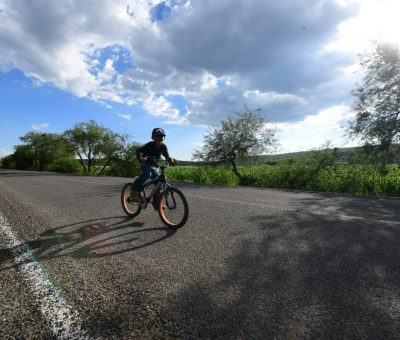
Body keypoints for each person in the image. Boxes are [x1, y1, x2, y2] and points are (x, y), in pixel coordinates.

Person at [131, 128, 176, 207]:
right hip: (145, 164)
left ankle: (156, 202)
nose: (160, 137)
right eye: (157, 136)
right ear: (153, 137)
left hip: (154, 166)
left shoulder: (163, 146)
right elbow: (139, 151)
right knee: (147, 173)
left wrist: (170, 160)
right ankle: (134, 190)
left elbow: (167, 156)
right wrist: (141, 158)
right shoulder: (149, 145)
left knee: (159, 183)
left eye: (162, 136)